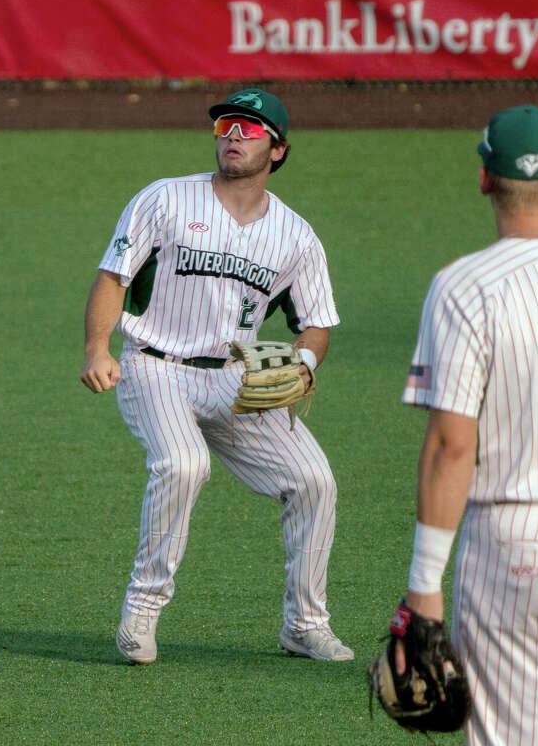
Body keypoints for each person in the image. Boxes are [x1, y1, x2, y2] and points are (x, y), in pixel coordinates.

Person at [80, 89, 353, 664]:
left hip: (234, 379)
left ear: (277, 150)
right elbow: (113, 276)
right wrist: (97, 348)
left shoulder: (297, 238)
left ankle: (305, 624)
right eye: (227, 124)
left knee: (314, 481)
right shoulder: (165, 199)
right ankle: (143, 610)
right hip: (155, 365)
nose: (233, 134)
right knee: (183, 463)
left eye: (250, 129)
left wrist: (302, 365)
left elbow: (316, 325)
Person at [392, 104, 538, 744]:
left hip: (510, 544)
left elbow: (452, 447)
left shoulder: (465, 287)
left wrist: (423, 589)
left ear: (485, 179)